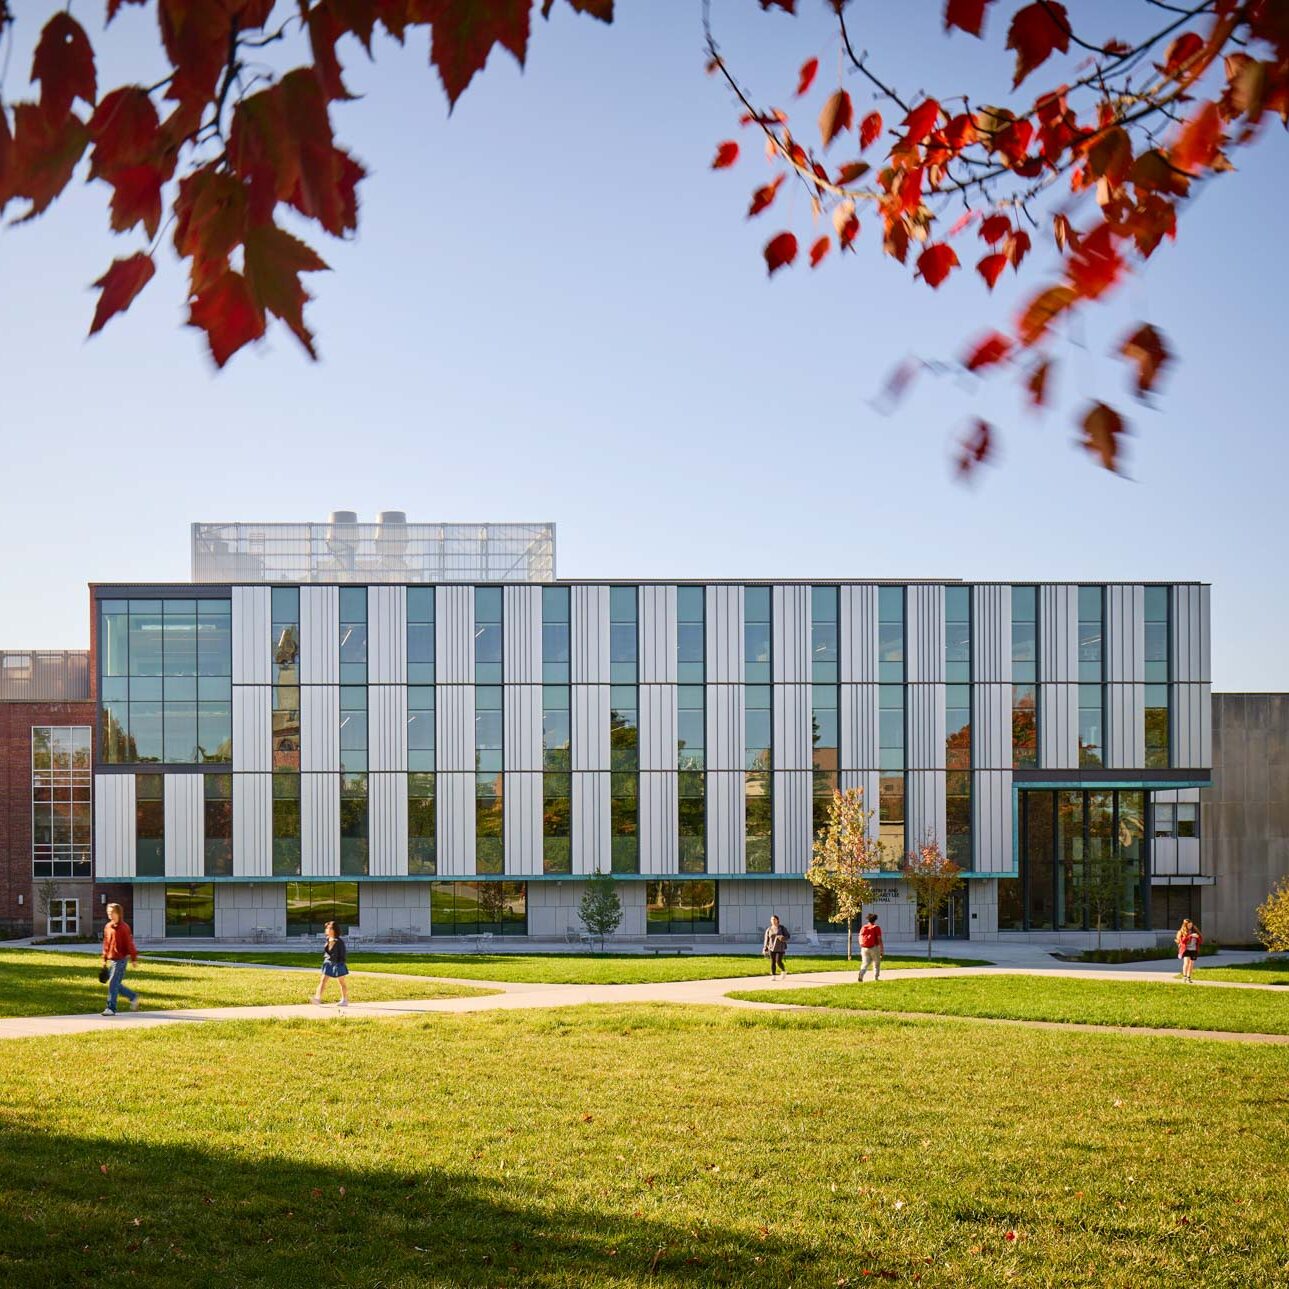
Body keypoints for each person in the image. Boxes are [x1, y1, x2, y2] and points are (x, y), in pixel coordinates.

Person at [100, 902, 140, 1016]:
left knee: (113, 982)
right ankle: (133, 997)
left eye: (112, 913)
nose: (110, 915)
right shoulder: (108, 927)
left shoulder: (124, 928)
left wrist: (133, 958)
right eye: (108, 913)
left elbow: (129, 944)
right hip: (112, 959)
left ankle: (111, 1008)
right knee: (116, 984)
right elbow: (106, 944)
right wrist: (104, 958)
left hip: (121, 960)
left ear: (119, 913)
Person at [310, 920, 351, 1006]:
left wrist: (340, 964)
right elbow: (328, 952)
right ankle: (317, 998)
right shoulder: (328, 939)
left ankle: (344, 1000)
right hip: (328, 962)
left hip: (338, 963)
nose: (327, 930)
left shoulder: (339, 941)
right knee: (323, 980)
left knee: (341, 982)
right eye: (327, 928)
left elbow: (342, 954)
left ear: (333, 930)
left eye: (329, 928)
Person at [1175, 918, 1203, 984]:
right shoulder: (1182, 931)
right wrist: (1190, 936)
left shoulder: (1195, 930)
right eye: (1189, 925)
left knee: (1191, 964)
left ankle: (1189, 977)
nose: (1190, 926)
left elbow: (1201, 940)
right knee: (1186, 963)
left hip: (1193, 950)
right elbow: (1182, 941)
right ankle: (1184, 977)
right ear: (1185, 925)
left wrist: (1198, 937)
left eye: (1191, 925)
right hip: (1186, 949)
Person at [858, 912, 884, 982]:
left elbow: (860, 937)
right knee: (876, 963)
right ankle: (876, 978)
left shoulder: (864, 927)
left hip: (864, 948)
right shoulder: (876, 927)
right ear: (875, 920)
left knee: (865, 963)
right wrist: (882, 950)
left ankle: (861, 973)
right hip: (874, 947)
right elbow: (879, 939)